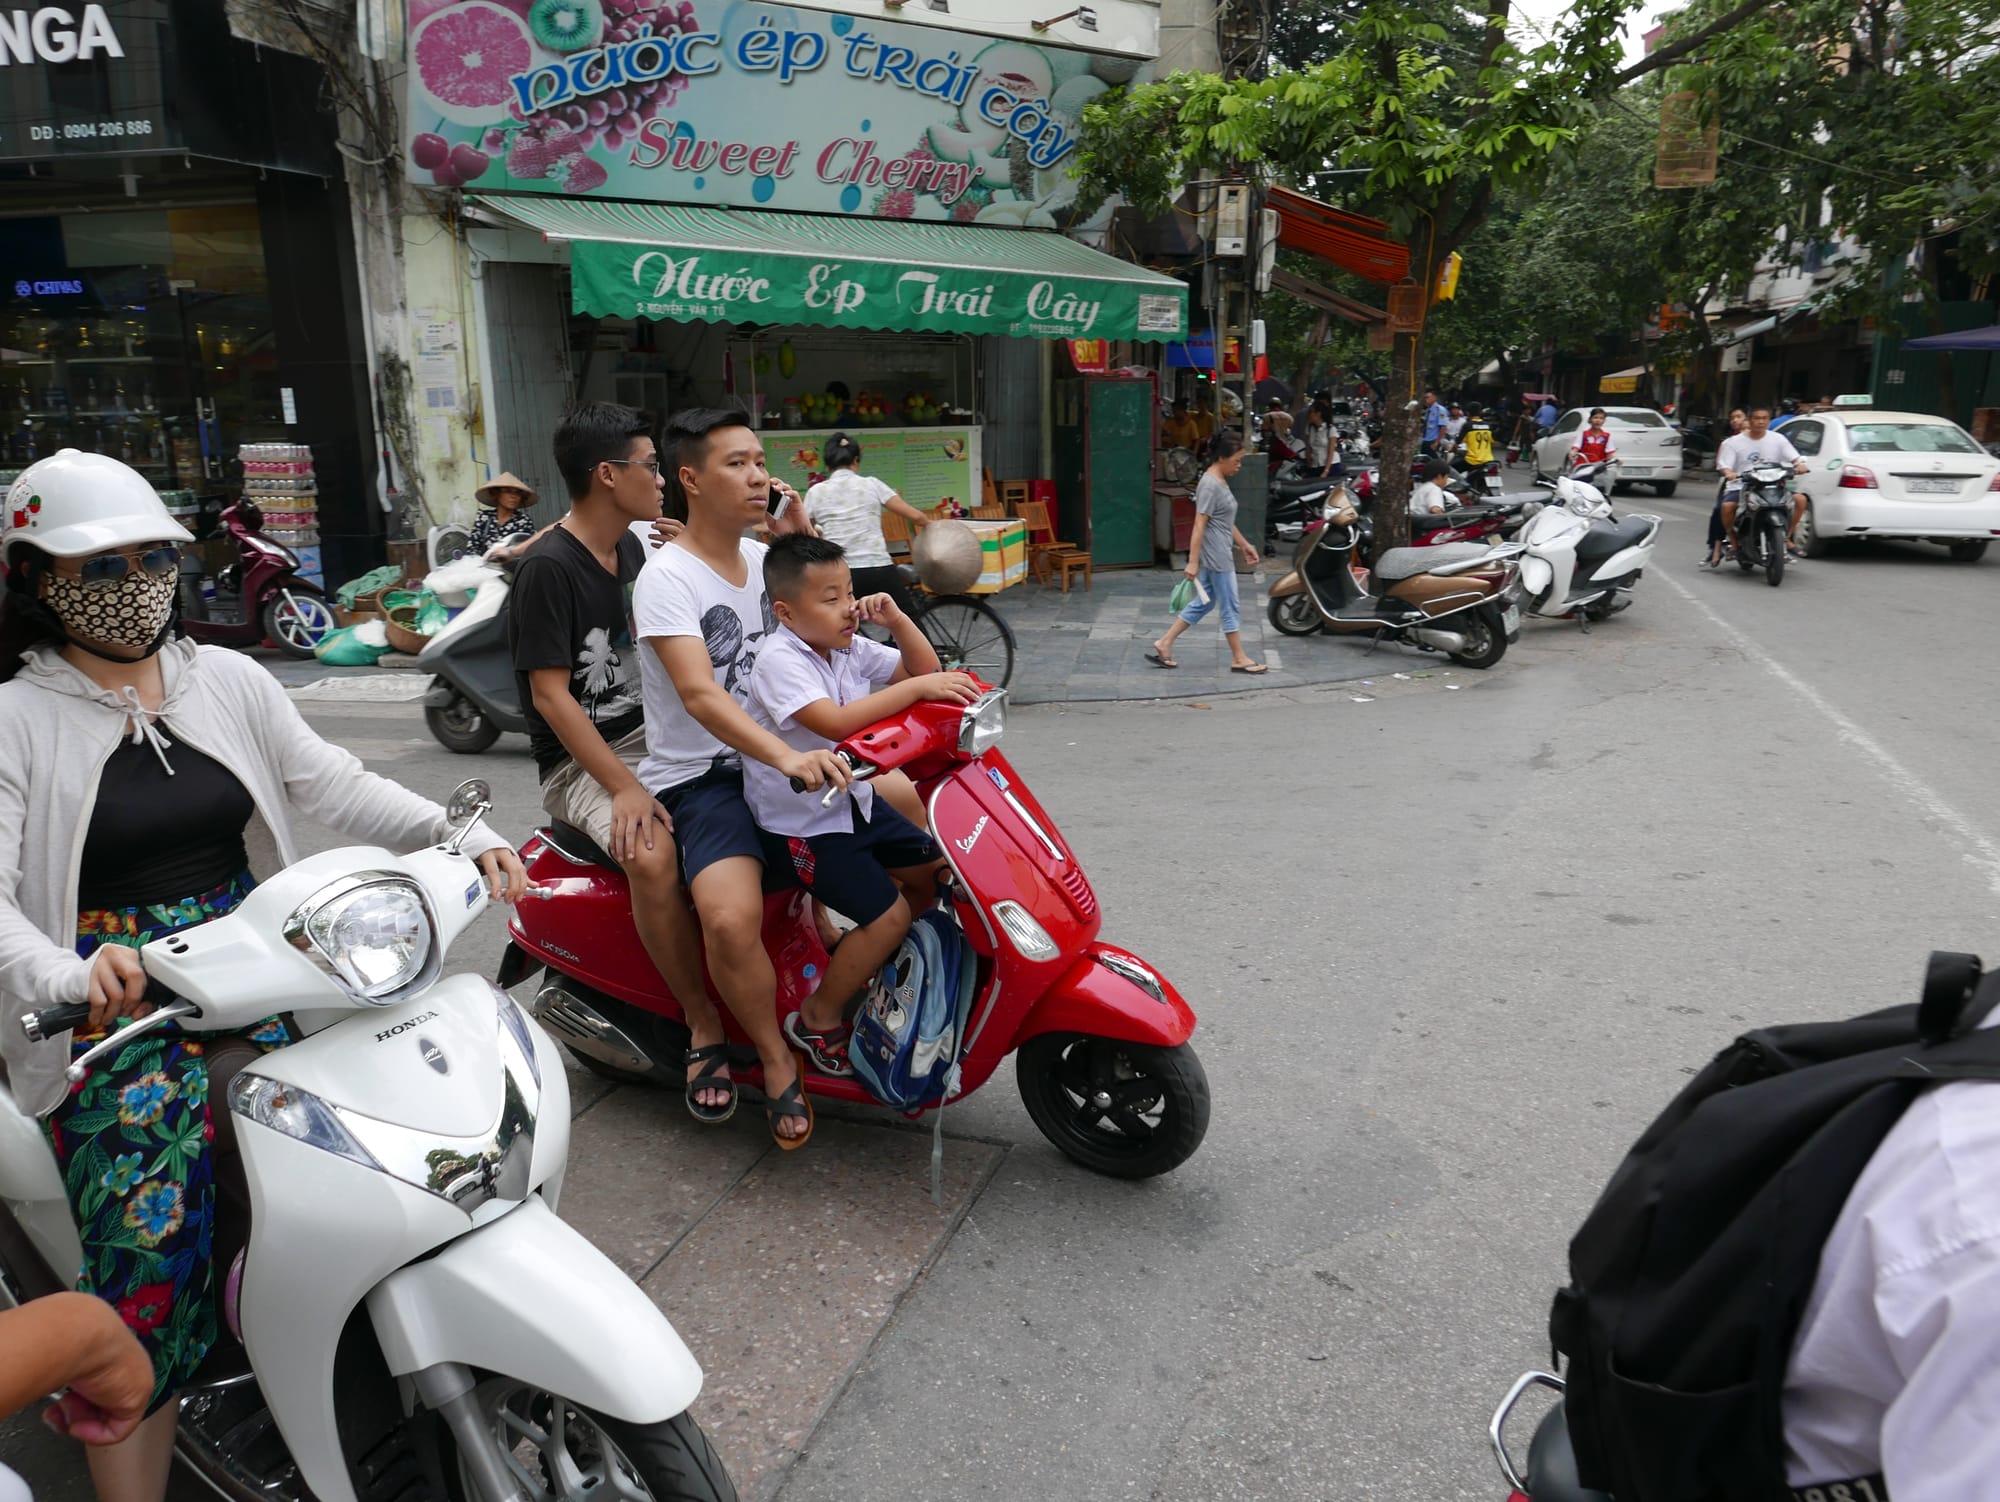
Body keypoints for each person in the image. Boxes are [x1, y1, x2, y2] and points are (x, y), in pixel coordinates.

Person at [0, 450, 527, 1502]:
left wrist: (455, 831)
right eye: (100, 564)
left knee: (397, 1130)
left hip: (264, 952)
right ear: (35, 578)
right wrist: (68, 967)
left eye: (154, 554)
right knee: (146, 1230)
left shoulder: (226, 677)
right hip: (114, 996)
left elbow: (331, 782)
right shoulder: (16, 718)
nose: (136, 578)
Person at [632, 409, 846, 1149]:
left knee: (916, 822)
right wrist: (784, 757)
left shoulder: (767, 561)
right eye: (737, 464)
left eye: (761, 461)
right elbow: (699, 694)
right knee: (727, 918)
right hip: (706, 776)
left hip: (786, 756)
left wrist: (799, 530)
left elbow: (833, 624)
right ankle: (772, 1054)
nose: (758, 475)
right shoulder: (665, 579)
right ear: (689, 479)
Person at [507, 403, 723, 1115]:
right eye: (651, 465)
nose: (661, 479)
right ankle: (701, 1022)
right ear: (607, 474)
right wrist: (624, 787)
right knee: (653, 855)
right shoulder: (548, 569)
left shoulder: (636, 547)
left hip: (653, 731)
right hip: (582, 762)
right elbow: (550, 697)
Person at [742, 535, 976, 1074]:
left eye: (848, 591)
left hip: (854, 802)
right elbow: (834, 722)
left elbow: (920, 673)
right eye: (830, 597)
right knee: (889, 916)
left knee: (936, 873)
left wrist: (897, 622)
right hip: (803, 826)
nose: (848, 606)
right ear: (786, 611)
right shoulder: (780, 659)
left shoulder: (844, 645)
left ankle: (872, 964)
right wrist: (919, 691)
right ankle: (818, 1017)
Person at [1146, 430, 1265, 674]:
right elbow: (1199, 524)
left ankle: (1164, 643)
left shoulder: (1218, 481)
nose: (1239, 465)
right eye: (1237, 460)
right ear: (1222, 458)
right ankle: (1239, 657)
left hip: (1219, 551)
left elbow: (1224, 521)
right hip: (1217, 557)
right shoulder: (1210, 484)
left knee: (1203, 603)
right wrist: (1192, 562)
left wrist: (1243, 544)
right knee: (1230, 605)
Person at [802, 432, 935, 618]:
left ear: (827, 464)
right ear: (855, 460)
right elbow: (915, 516)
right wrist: (931, 525)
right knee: (907, 622)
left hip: (840, 572)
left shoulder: (815, 492)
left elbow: (803, 531)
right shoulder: (872, 484)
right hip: (879, 568)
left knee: (841, 626)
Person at [1716, 406, 1809, 561]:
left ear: (1769, 420)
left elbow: (1795, 458)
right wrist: (1729, 473)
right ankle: (1734, 543)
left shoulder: (1778, 439)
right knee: (1727, 507)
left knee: (1800, 500)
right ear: (1749, 421)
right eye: (1756, 418)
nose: (1760, 422)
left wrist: (1800, 464)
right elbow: (1724, 465)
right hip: (1742, 485)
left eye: (1764, 418)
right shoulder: (1733, 443)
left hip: (1773, 485)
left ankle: (1786, 538)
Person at [1704, 407, 1749, 568]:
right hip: (1734, 484)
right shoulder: (1729, 443)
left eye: (1740, 417)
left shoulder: (1765, 440)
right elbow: (1722, 465)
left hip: (1759, 484)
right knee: (1720, 511)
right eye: (1733, 418)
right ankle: (1716, 548)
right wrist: (1729, 472)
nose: (1736, 421)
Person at [466, 471, 542, 561]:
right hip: (484, 569)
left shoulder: (523, 521)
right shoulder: (484, 517)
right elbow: (472, 548)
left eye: (517, 493)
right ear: (496, 494)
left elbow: (526, 549)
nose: (513, 496)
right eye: (508, 491)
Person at [1302, 403, 1335, 477]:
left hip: (1329, 466)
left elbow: (1331, 452)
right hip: (1314, 465)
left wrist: (1326, 471)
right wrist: (1308, 461)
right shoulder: (1309, 428)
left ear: (1319, 414)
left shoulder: (1330, 429)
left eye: (1311, 412)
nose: (1308, 415)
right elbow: (1308, 447)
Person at [1421, 389, 1450, 453]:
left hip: (1433, 441)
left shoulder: (1440, 410)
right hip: (1425, 440)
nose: (1425, 399)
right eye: (1425, 398)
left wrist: (1437, 442)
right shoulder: (1428, 410)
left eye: (1427, 397)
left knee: (1433, 461)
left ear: (1434, 398)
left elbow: (1443, 427)